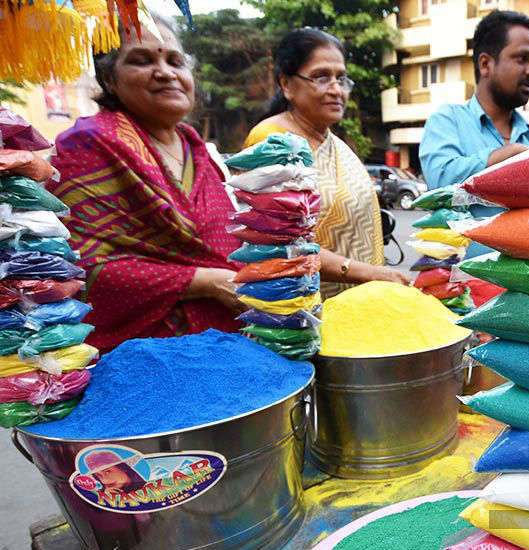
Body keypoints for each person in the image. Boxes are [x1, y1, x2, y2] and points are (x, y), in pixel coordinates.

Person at [49, 17, 245, 354]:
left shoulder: (195, 147)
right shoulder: (88, 146)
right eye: (142, 60)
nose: (166, 72)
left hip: (228, 344)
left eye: (175, 61)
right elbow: (77, 270)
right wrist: (209, 282)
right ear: (109, 78)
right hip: (140, 358)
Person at [245, 29, 410, 298]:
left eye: (341, 78)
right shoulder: (271, 140)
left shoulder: (338, 145)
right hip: (300, 317)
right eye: (321, 77)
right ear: (286, 84)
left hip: (358, 308)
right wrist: (368, 273)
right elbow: (282, 244)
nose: (336, 89)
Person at [419, 10, 529, 190]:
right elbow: (440, 180)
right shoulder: (448, 121)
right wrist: (511, 155)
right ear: (485, 65)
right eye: (522, 59)